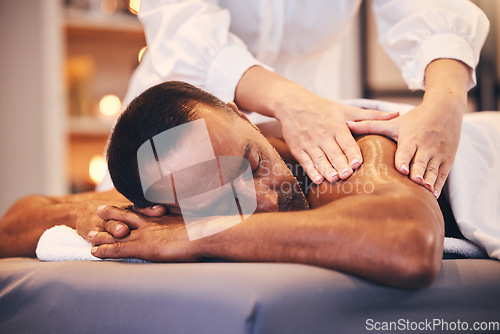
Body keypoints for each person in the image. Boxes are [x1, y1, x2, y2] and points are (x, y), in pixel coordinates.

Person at [55, 81, 445, 288]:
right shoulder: (159, 202)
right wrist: (97, 218)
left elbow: (408, 245)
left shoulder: (349, 147)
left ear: (242, 117)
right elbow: (19, 219)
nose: (268, 202)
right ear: (159, 212)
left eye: (254, 164)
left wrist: (198, 234)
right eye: (221, 201)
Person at [119, 0, 489, 199]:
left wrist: (446, 104)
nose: (261, 200)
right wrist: (292, 104)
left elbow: (431, 7)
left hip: (316, 108)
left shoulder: (367, 155)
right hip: (178, 117)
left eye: (252, 165)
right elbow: (182, 26)